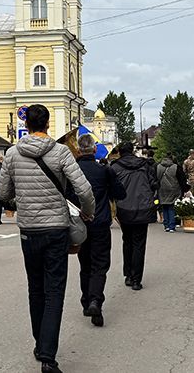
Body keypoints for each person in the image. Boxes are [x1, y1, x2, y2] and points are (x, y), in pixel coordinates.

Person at [0, 104, 95, 373]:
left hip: (29, 231)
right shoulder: (61, 152)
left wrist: (22, 201)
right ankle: (48, 356)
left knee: (35, 288)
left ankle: (40, 343)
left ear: (26, 124)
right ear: (48, 124)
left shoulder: (13, 153)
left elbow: (2, 193)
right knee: (54, 291)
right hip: (56, 230)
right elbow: (84, 189)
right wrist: (88, 213)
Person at [74, 133, 126, 327]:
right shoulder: (104, 170)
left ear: (78, 150)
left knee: (85, 263)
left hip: (79, 224)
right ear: (95, 150)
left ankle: (87, 301)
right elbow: (120, 193)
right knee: (100, 264)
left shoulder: (73, 170)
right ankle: (96, 300)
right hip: (101, 223)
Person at [109, 143, 158, 291]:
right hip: (143, 207)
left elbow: (111, 189)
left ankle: (129, 276)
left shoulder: (115, 167)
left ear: (120, 152)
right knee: (139, 244)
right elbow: (154, 184)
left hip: (124, 209)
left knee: (127, 241)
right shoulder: (144, 165)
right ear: (132, 151)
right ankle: (137, 279)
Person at [155, 154, 187, 232]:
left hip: (162, 189)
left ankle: (166, 225)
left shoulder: (158, 167)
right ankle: (172, 225)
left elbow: (155, 178)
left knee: (164, 207)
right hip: (174, 189)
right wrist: (185, 189)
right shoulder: (176, 167)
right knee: (171, 207)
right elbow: (182, 179)